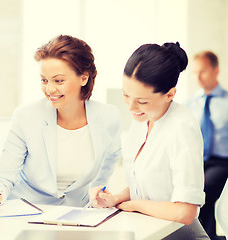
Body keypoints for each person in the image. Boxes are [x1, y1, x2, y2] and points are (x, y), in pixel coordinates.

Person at [0, 35, 122, 209]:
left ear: (84, 77)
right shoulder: (26, 116)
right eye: (44, 80)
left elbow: (110, 161)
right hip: (27, 210)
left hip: (77, 214)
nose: (50, 89)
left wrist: (98, 191)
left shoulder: (108, 117)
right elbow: (5, 174)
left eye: (59, 80)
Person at [89, 42, 209, 239]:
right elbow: (149, 184)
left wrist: (135, 205)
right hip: (149, 230)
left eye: (142, 101)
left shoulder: (182, 126)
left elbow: (185, 212)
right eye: (126, 95)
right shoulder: (142, 119)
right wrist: (114, 199)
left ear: (170, 94)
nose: (131, 106)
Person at [186, 51, 228, 240]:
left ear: (216, 70)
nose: (198, 77)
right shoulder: (189, 103)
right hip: (196, 160)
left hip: (221, 161)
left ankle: (205, 236)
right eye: (195, 73)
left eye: (202, 71)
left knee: (205, 189)